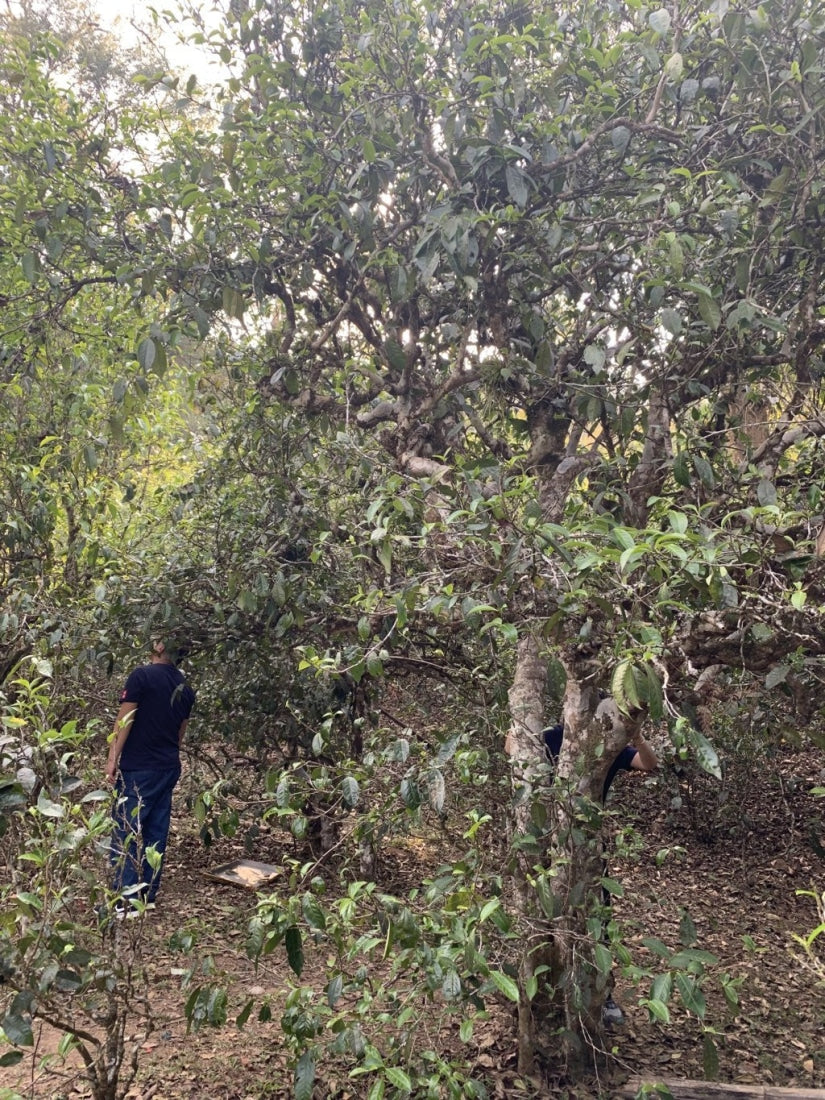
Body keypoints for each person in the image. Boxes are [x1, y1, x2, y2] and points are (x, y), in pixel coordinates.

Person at [543, 715, 658, 1026]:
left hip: (590, 843)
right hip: (549, 840)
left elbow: (648, 764)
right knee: (548, 916)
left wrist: (637, 737)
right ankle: (548, 992)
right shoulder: (552, 737)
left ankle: (603, 996)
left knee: (599, 918)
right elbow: (513, 749)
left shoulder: (608, 745)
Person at [105, 638, 195, 915]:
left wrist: (112, 759)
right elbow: (181, 732)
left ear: (159, 647)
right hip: (167, 766)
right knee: (156, 830)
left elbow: (125, 721)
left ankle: (125, 899)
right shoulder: (185, 688)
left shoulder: (141, 676)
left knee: (126, 830)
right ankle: (148, 894)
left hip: (140, 768)